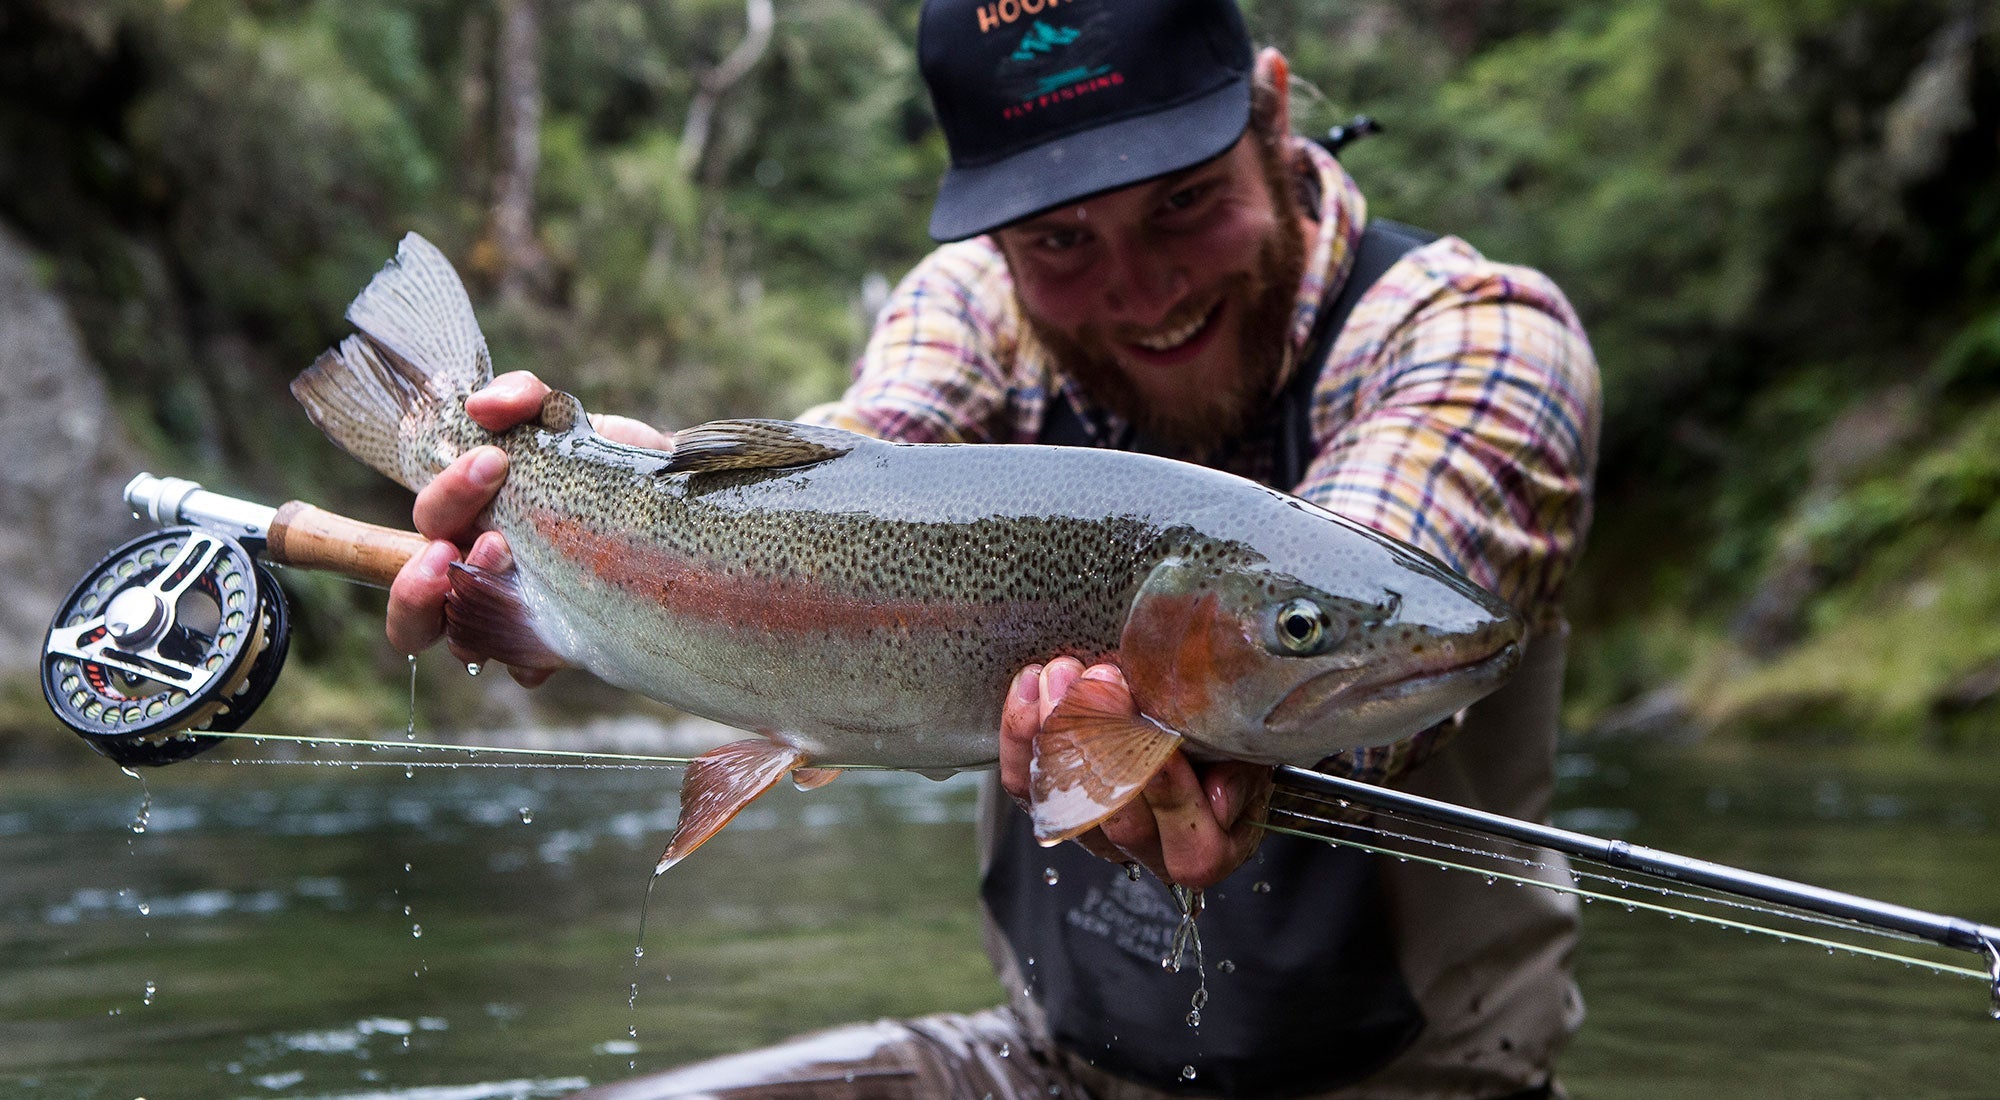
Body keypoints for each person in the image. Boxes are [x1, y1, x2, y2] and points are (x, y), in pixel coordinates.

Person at [387, 0, 1601, 1095]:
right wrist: (616, 550)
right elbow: (853, 472)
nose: (1137, 290)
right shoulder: (972, 301)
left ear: (1273, 115)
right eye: (1060, 242)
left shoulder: (1474, 334)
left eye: (1181, 200)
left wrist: (1231, 713)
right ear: (999, 233)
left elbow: (1386, 579)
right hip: (1046, 1065)